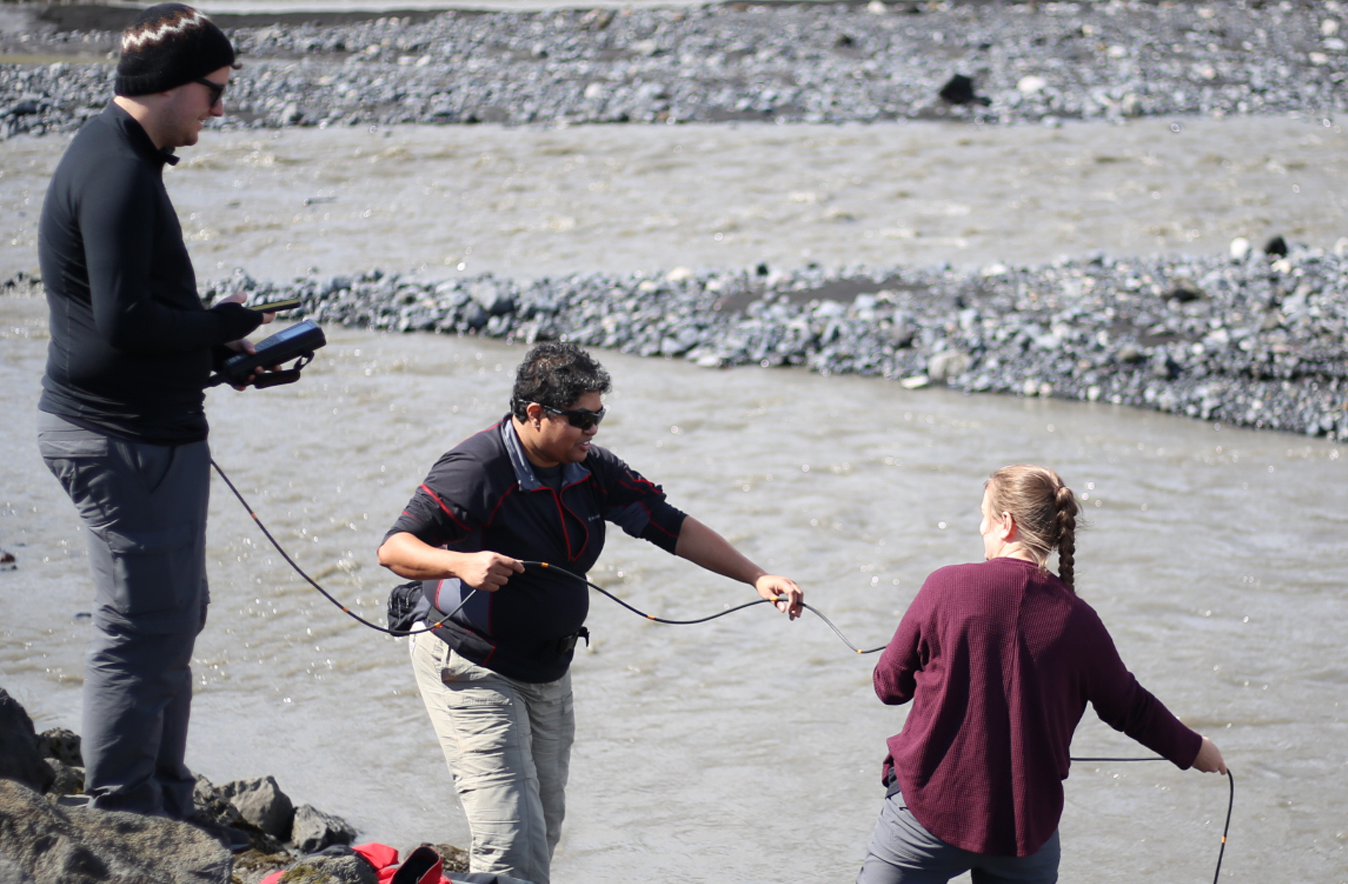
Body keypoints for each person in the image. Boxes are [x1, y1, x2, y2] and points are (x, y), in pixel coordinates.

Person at [378, 342, 807, 884]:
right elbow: (393, 549)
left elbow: (668, 524)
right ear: (535, 413)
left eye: (599, 416)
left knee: (545, 827)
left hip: (547, 669)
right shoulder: (477, 468)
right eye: (581, 418)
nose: (594, 429)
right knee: (510, 840)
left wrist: (757, 575)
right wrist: (460, 563)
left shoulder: (588, 468)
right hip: (469, 665)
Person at [34, 2, 269, 820]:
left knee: (172, 619)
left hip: (137, 429)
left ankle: (160, 799)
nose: (220, 107)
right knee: (142, 631)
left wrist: (215, 357)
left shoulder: (124, 158)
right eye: (215, 89)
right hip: (120, 439)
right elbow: (122, 324)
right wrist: (221, 325)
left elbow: (126, 324)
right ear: (171, 86)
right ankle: (129, 816)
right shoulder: (118, 173)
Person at [858, 464, 1229, 884]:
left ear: (1006, 524)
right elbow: (1131, 708)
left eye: (984, 516)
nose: (980, 527)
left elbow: (888, 686)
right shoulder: (1079, 620)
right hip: (1025, 831)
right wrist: (1194, 749)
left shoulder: (945, 587)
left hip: (926, 814)